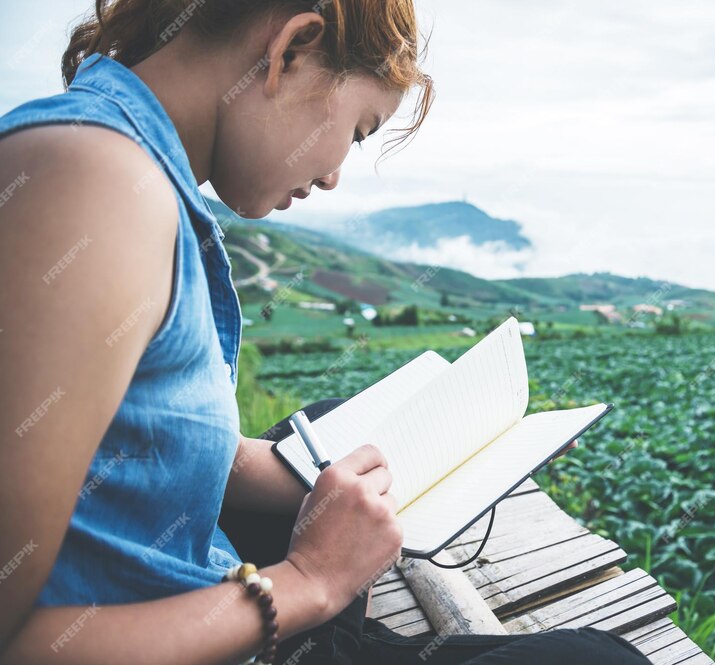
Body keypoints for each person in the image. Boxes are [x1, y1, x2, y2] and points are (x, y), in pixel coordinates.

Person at [0, 2, 650, 663]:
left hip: (198, 589)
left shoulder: (133, 170)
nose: (337, 172)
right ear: (291, 50)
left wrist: (340, 488)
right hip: (201, 628)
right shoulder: (87, 181)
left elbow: (142, 442)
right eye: (361, 131)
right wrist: (309, 582)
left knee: (331, 432)